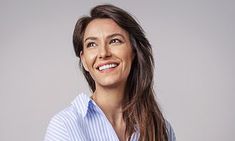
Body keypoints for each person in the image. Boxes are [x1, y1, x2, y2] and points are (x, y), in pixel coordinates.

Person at [44, 4, 176, 141]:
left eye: (114, 41)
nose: (103, 53)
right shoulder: (64, 126)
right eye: (92, 44)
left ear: (134, 52)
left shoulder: (161, 129)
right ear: (84, 60)